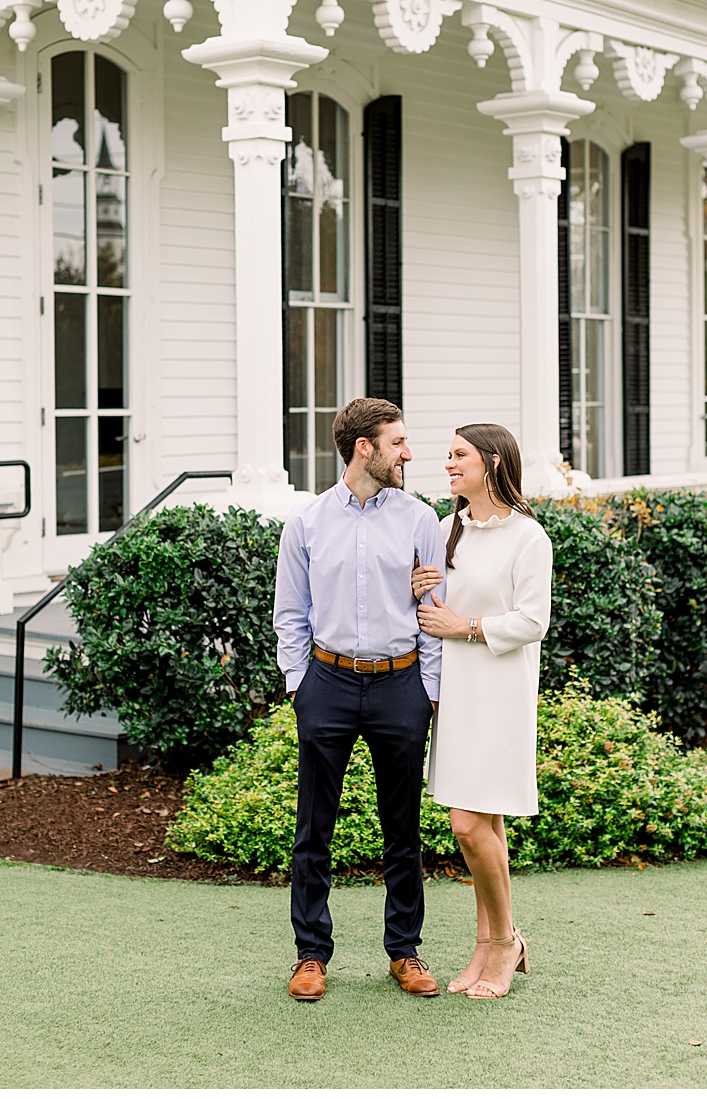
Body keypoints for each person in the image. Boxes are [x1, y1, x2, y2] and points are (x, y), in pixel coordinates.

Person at [273, 397, 448, 1002]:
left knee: (402, 828)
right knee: (313, 827)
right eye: (397, 442)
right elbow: (290, 614)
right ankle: (310, 955)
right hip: (328, 683)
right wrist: (299, 684)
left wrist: (428, 687)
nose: (408, 453)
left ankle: (405, 951)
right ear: (363, 449)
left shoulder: (422, 519)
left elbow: (434, 611)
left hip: (401, 685)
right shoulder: (307, 522)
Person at [409, 423, 552, 1000]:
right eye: (447, 456)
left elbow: (531, 621)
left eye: (459, 456)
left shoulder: (528, 537)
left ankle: (505, 942)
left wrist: (463, 627)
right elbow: (435, 612)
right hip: (457, 694)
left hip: (501, 695)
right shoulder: (447, 531)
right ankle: (488, 941)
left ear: (492, 462)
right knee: (481, 826)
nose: (448, 464)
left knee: (470, 825)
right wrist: (420, 588)